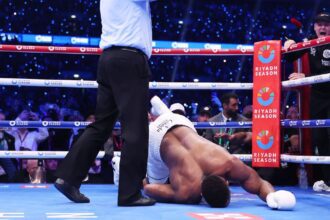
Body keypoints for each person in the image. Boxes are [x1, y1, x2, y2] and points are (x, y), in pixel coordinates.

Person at [54, 0, 157, 206]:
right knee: (135, 127)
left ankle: (68, 178)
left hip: (109, 59)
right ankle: (130, 194)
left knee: (101, 125)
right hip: (129, 60)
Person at [112, 96, 296, 209]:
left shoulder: (226, 162)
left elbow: (258, 183)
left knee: (175, 145)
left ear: (225, 180)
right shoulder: (188, 193)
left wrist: (272, 194)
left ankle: (162, 111)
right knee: (152, 181)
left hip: (179, 121)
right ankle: (123, 167)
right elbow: (149, 189)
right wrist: (271, 198)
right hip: (155, 141)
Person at [284, 12, 330, 191]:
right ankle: (328, 182)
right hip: (318, 95)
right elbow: (289, 57)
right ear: (315, 27)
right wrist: (289, 43)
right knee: (319, 138)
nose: (323, 27)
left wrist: (306, 76)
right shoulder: (310, 41)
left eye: (326, 24)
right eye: (319, 24)